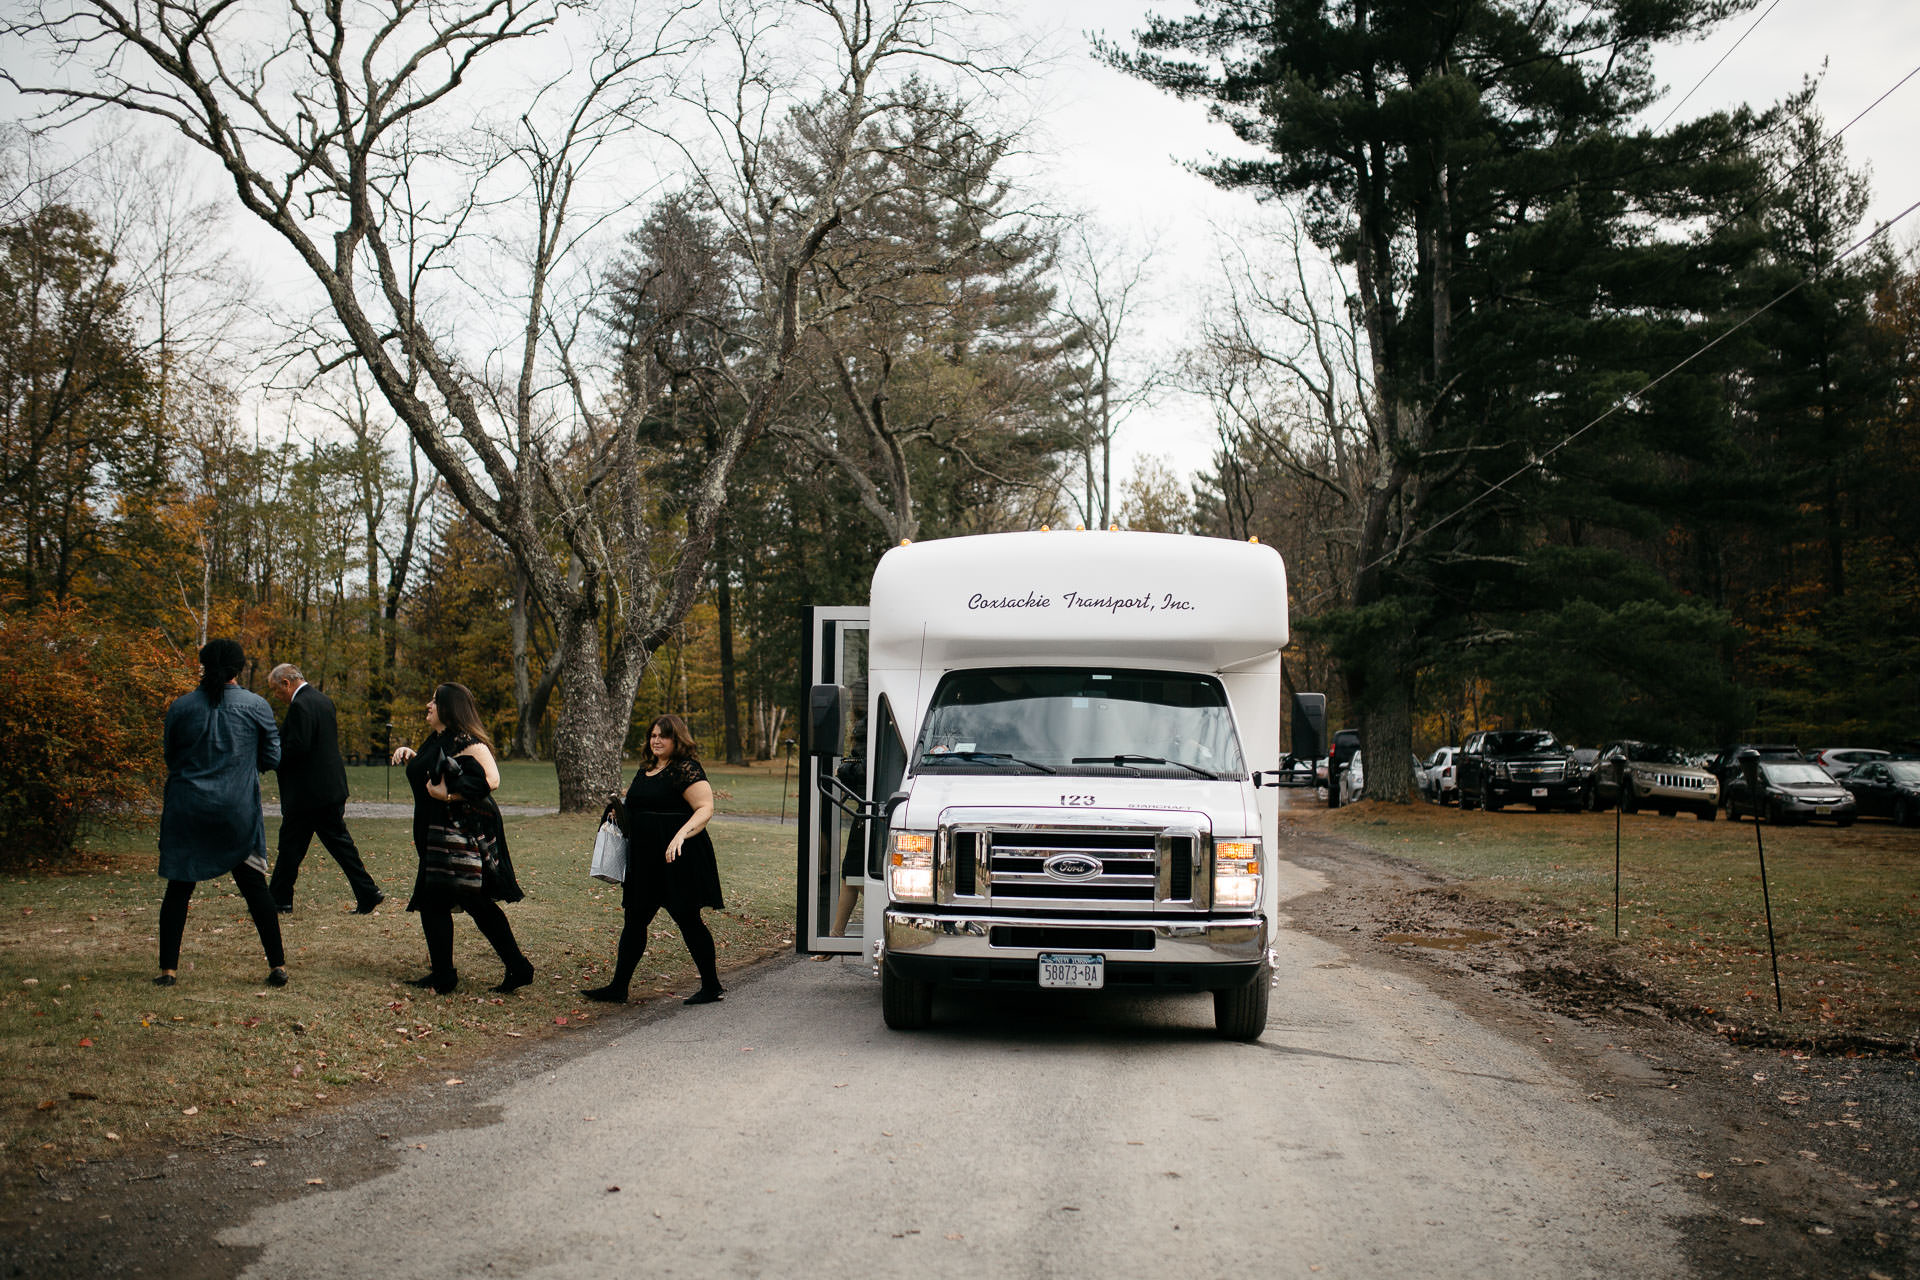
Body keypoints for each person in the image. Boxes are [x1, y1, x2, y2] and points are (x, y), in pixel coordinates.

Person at [154, 639, 288, 988]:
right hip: (235, 809)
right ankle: (278, 965)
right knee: (255, 888)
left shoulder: (181, 707)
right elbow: (273, 757)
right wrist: (242, 765)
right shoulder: (256, 706)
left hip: (187, 808)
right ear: (239, 668)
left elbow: (171, 756)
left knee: (179, 888)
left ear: (203, 666)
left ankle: (168, 970)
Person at [389, 683, 531, 995]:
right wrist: (415, 757)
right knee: (434, 901)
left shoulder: (469, 741)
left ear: (450, 709)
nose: (428, 705)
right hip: (435, 833)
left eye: (435, 701)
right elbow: (443, 767)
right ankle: (444, 974)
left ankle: (517, 966)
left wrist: (449, 795)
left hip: (458, 835)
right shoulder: (439, 739)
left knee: (472, 900)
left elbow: (492, 780)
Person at [582, 714, 726, 1006]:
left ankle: (711, 986)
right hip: (645, 857)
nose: (656, 740)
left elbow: (705, 808)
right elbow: (638, 806)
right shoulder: (646, 769)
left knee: (688, 919)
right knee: (634, 920)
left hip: (677, 857)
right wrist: (618, 814)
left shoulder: (686, 769)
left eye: (664, 736)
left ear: (677, 739)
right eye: (653, 735)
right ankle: (618, 988)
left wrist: (680, 836)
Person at [265, 663, 384, 914]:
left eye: (276, 690)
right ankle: (366, 891)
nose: (277, 696)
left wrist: (272, 757)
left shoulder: (300, 705)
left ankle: (280, 899)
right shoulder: (322, 700)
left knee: (294, 846)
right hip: (327, 788)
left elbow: (298, 747)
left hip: (309, 794)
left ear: (287, 683)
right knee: (319, 845)